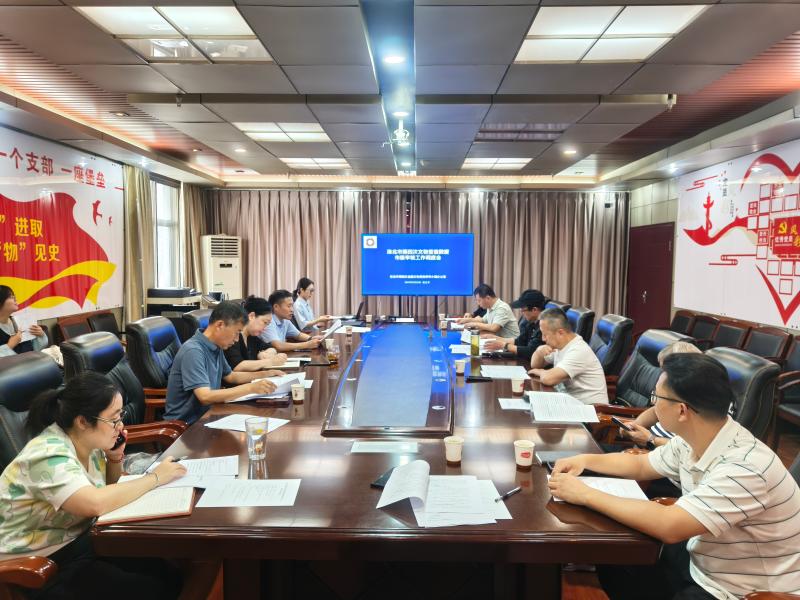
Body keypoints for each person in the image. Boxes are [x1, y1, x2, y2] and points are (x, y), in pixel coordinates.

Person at [549, 353, 800, 600]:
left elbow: (669, 525)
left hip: (740, 589)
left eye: (656, 397)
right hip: (703, 557)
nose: (653, 404)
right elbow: (641, 465)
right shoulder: (694, 439)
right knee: (613, 559)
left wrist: (585, 494)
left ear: (681, 410)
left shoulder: (745, 467)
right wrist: (585, 460)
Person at [0, 372, 187, 599]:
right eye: (114, 419)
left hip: (77, 541)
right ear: (82, 421)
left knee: (167, 569)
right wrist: (155, 477)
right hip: (35, 565)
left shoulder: (88, 442)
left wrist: (115, 459)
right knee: (151, 589)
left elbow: (108, 489)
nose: (120, 426)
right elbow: (95, 503)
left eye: (120, 416)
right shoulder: (48, 455)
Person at [165, 301, 281, 424]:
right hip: (186, 425)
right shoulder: (193, 351)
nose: (237, 339)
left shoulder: (216, 345)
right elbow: (205, 396)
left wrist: (266, 374)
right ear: (220, 325)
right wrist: (251, 388)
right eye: (236, 332)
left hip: (210, 414)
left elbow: (231, 376)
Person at [618, 341, 703, 449]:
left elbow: (689, 449)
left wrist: (651, 439)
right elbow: (655, 411)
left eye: (667, 371)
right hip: (644, 450)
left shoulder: (702, 405)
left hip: (659, 455)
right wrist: (634, 425)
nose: (663, 375)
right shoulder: (674, 389)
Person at [529, 308, 607, 405]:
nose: (543, 339)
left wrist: (540, 372)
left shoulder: (578, 350)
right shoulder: (561, 345)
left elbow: (548, 379)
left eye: (545, 334)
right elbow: (535, 365)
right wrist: (539, 351)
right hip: (572, 403)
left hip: (592, 409)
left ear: (560, 333)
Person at [224, 296, 288, 372]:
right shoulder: (234, 336)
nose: (265, 328)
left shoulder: (251, 336)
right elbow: (237, 366)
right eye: (265, 322)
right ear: (251, 316)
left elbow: (271, 348)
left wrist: (265, 353)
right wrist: (270, 361)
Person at [484, 289, 546, 360]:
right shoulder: (530, 323)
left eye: (523, 309)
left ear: (534, 310)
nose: (521, 312)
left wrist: (504, 345)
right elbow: (520, 342)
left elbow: (530, 351)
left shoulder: (544, 327)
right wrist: (495, 338)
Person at [0, 285, 48, 356]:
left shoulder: (20, 321)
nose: (15, 299)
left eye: (14, 296)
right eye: (11, 297)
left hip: (30, 360)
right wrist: (10, 345)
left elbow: (34, 349)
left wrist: (40, 335)